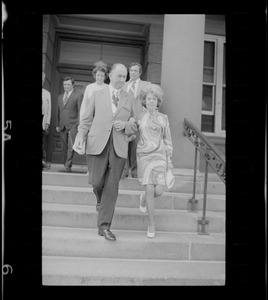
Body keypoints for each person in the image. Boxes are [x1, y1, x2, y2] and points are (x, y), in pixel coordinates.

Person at [76, 63, 137, 241]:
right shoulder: (97, 94)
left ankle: (104, 226)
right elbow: (86, 119)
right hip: (97, 143)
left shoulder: (129, 98)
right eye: (118, 75)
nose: (121, 79)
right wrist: (81, 136)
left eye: (124, 77)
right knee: (96, 182)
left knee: (112, 187)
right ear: (110, 75)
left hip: (118, 147)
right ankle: (99, 199)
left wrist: (126, 126)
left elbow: (136, 123)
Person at [136, 84, 173, 238]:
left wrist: (169, 158)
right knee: (150, 188)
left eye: (154, 99)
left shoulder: (163, 118)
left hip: (160, 156)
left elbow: (167, 139)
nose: (151, 101)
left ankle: (144, 198)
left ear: (158, 101)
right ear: (144, 101)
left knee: (159, 190)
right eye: (148, 98)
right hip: (144, 156)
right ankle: (151, 225)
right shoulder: (138, 117)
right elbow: (131, 134)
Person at [121, 62, 151, 179]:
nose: (132, 72)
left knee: (135, 146)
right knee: (122, 145)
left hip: (139, 120)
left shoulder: (146, 85)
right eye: (131, 70)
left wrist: (139, 118)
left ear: (140, 73)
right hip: (124, 120)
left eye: (135, 71)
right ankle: (124, 171)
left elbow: (149, 102)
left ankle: (134, 171)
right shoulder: (123, 85)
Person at [56, 77, 83, 172]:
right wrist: (57, 124)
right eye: (64, 84)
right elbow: (58, 112)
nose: (66, 86)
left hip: (73, 125)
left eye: (68, 84)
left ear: (73, 85)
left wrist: (78, 124)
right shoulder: (60, 97)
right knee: (63, 147)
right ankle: (65, 165)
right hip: (62, 126)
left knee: (70, 147)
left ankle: (68, 166)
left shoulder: (78, 95)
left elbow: (80, 111)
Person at [42, 72, 51, 170]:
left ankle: (42, 161)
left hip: (42, 120)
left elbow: (49, 110)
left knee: (42, 142)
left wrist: (47, 122)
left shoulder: (46, 93)